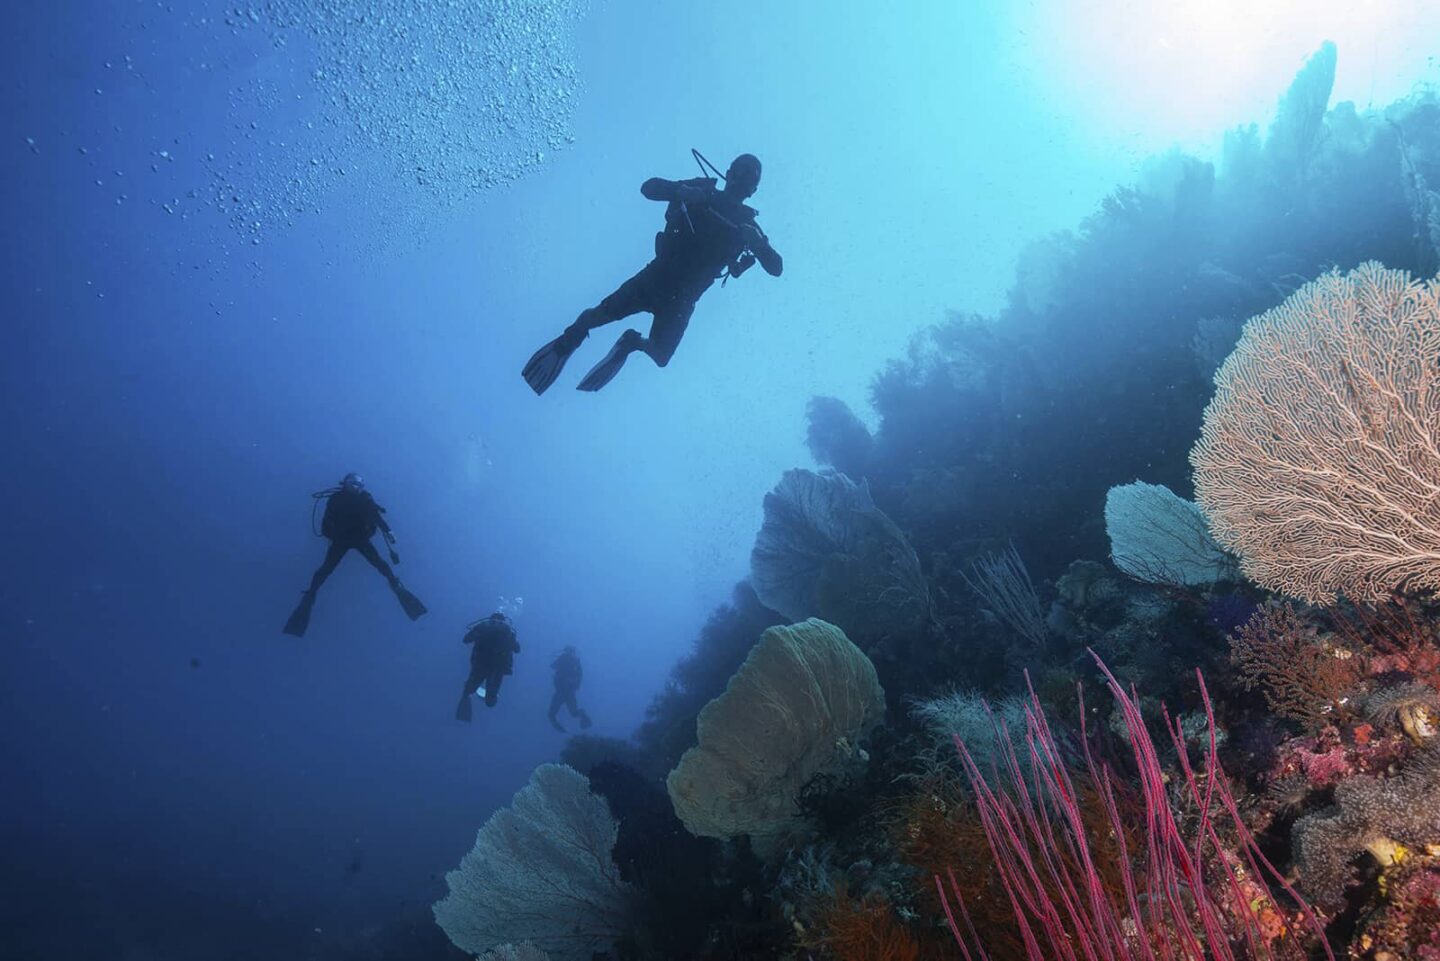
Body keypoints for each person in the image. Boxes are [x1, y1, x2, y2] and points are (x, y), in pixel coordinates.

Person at [522, 152, 784, 395]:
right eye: (739, 172)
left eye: (748, 178)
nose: (741, 180)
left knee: (661, 357)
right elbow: (648, 187)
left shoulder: (749, 227)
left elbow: (776, 268)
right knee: (599, 314)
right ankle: (570, 340)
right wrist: (681, 191)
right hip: (655, 278)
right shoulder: (703, 190)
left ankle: (632, 343)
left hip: (682, 301)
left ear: (753, 190)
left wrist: (760, 244)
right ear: (728, 172)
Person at [282, 473, 428, 637]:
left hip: (359, 538)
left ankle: (395, 584)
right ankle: (311, 594)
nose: (357, 487)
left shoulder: (365, 499)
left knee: (380, 564)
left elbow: (377, 517)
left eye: (360, 485)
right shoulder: (336, 499)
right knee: (325, 570)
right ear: (345, 484)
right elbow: (325, 523)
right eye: (353, 484)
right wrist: (332, 535)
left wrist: (389, 532)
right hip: (342, 539)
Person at [455, 612, 520, 721]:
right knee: (490, 702)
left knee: (468, 690)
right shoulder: (508, 630)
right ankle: (489, 697)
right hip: (497, 668)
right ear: (504, 620)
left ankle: (468, 693)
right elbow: (517, 649)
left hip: (480, 665)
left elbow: (466, 640)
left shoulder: (483, 626)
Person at [547, 645, 592, 732]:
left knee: (551, 714)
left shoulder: (563, 658)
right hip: (569, 692)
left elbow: (552, 666)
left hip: (561, 692)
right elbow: (580, 676)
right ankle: (584, 717)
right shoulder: (576, 662)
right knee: (574, 713)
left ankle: (561, 730)